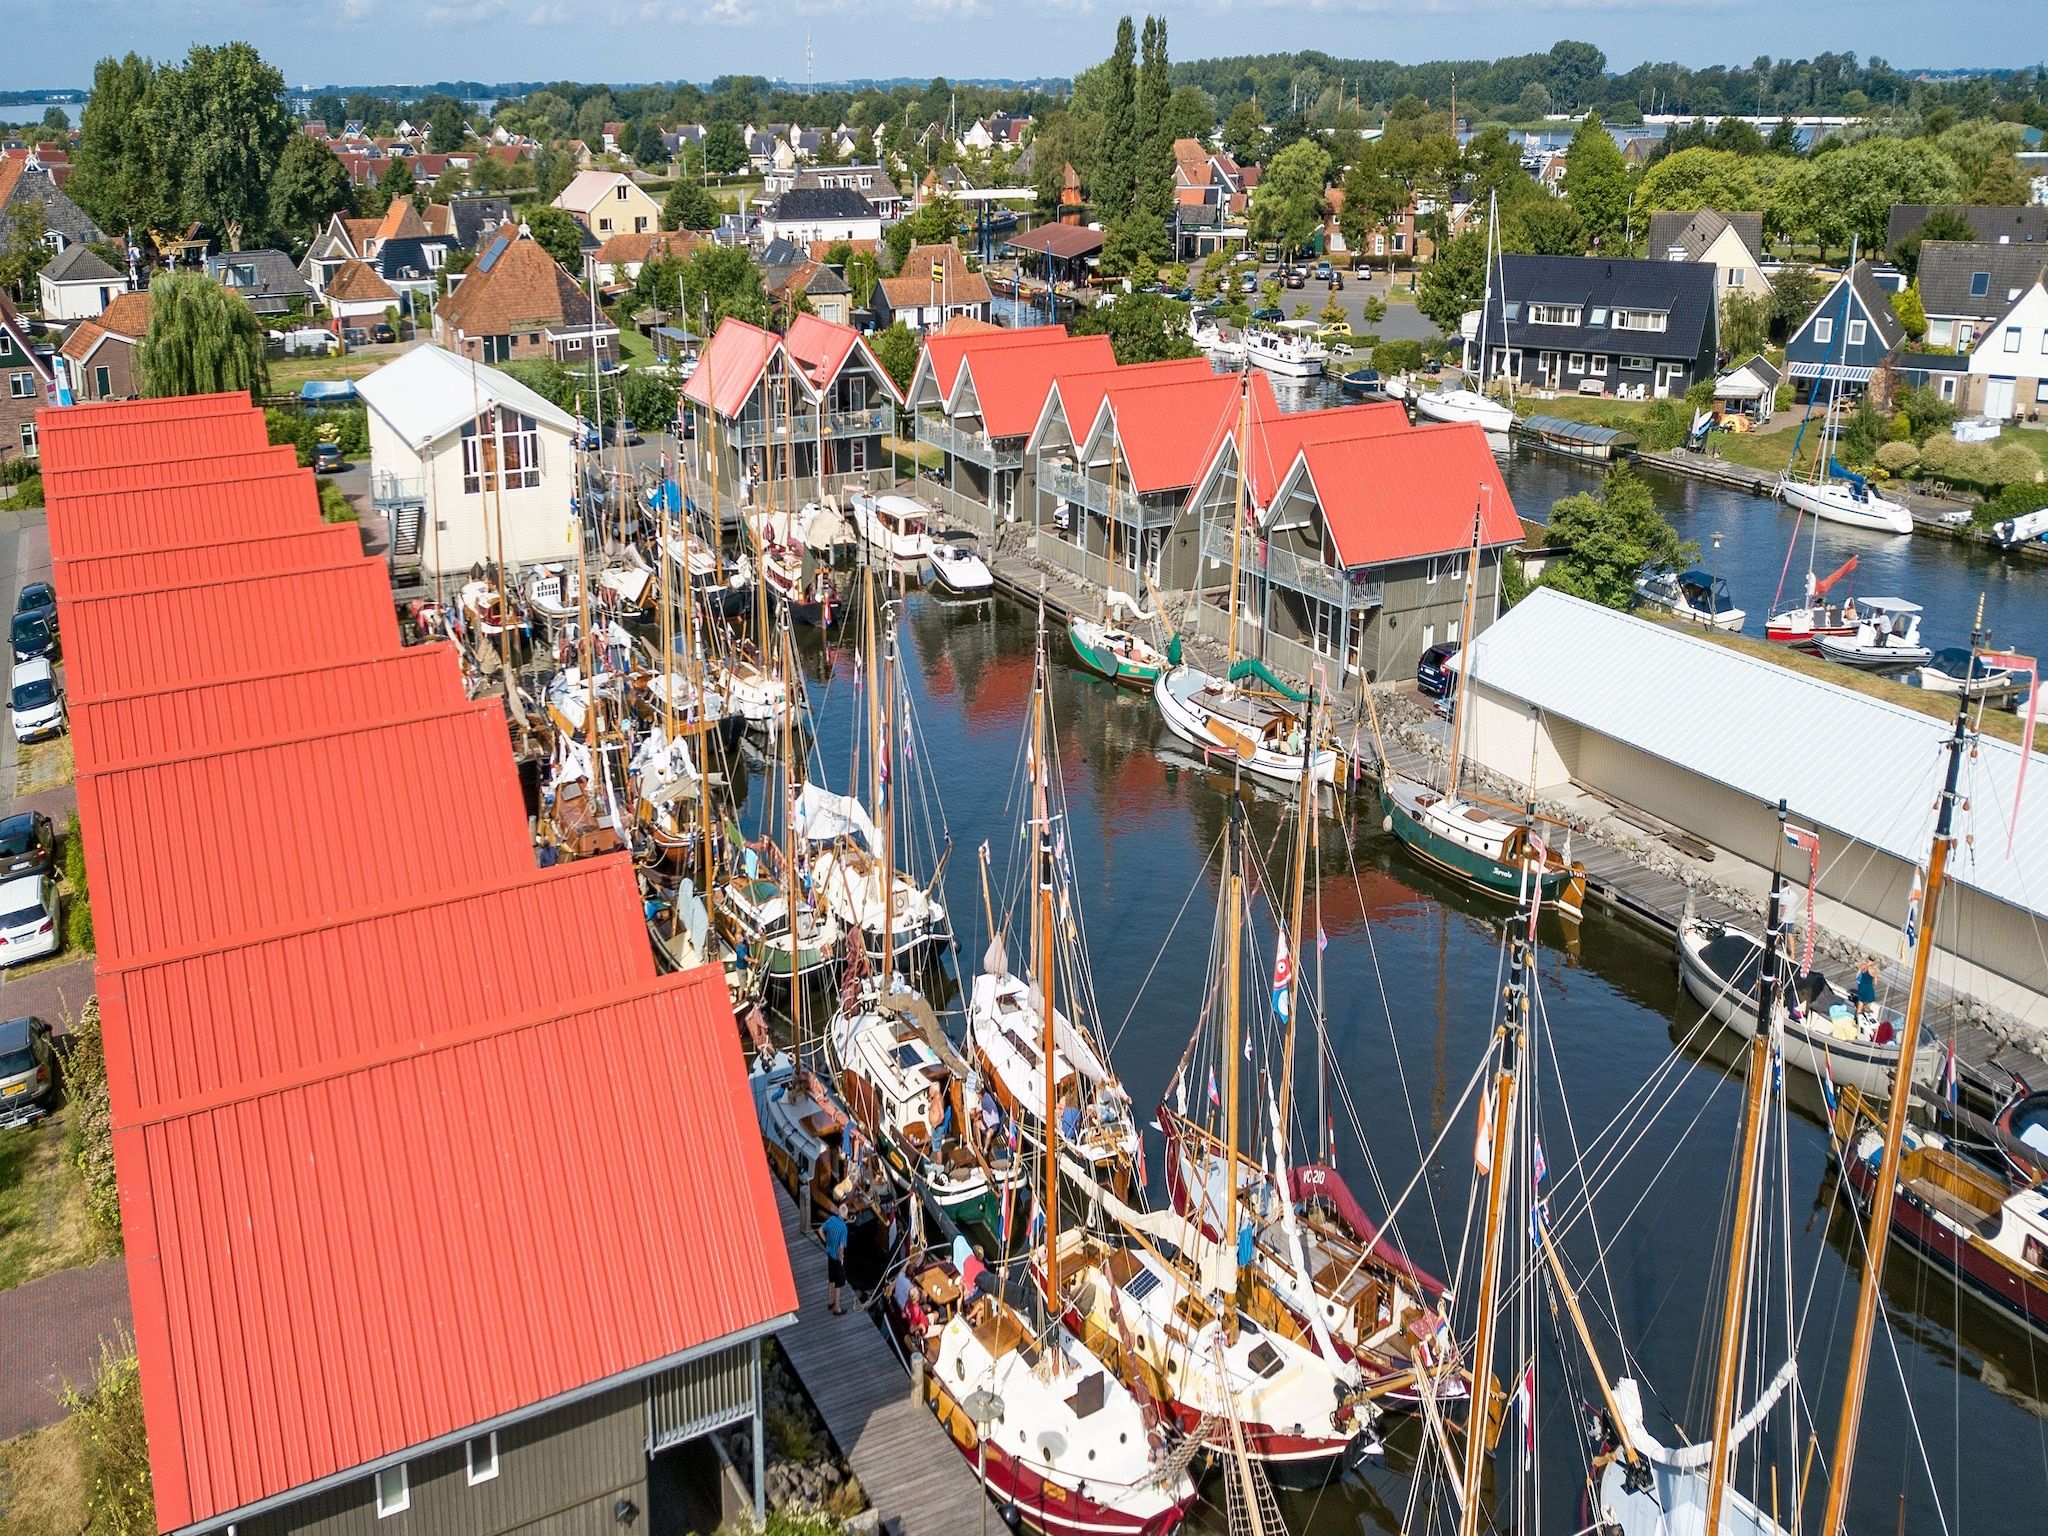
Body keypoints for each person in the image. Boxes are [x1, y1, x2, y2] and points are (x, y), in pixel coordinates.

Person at [821, 1203, 850, 1316]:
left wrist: (826, 1242)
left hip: (829, 1255)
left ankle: (830, 1301)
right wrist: (840, 1258)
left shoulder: (831, 1219)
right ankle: (837, 1307)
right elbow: (841, 1247)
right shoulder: (843, 1228)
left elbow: (820, 1230)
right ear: (845, 1215)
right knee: (838, 1283)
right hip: (836, 1258)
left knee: (831, 1279)